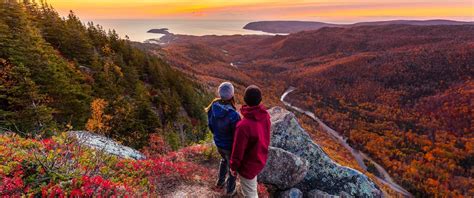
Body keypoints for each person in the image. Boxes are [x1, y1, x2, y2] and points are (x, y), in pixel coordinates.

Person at [230, 85, 271, 198]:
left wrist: (233, 167)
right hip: (259, 158)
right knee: (251, 188)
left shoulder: (243, 126)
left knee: (251, 195)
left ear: (245, 100)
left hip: (248, 166)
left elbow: (238, 151)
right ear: (260, 100)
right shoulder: (265, 115)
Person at [206, 82, 241, 196]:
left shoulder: (213, 106)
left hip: (219, 142)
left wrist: (217, 136)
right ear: (231, 95)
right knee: (232, 167)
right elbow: (237, 135)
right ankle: (230, 191)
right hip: (229, 146)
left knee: (224, 160)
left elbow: (210, 125)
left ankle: (220, 182)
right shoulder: (233, 114)